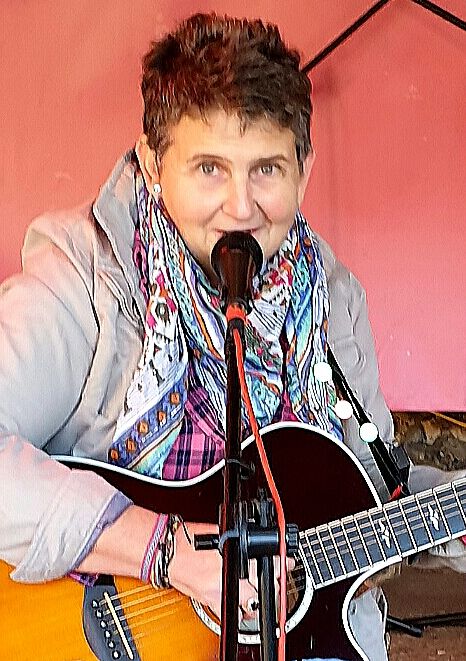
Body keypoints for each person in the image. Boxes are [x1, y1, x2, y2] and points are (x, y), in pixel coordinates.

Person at [1, 13, 465, 661]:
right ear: (153, 164)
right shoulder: (84, 273)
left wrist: (448, 519)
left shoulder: (333, 299)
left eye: (267, 169)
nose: (241, 208)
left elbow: (373, 488)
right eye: (210, 168)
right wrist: (163, 552)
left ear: (304, 170)